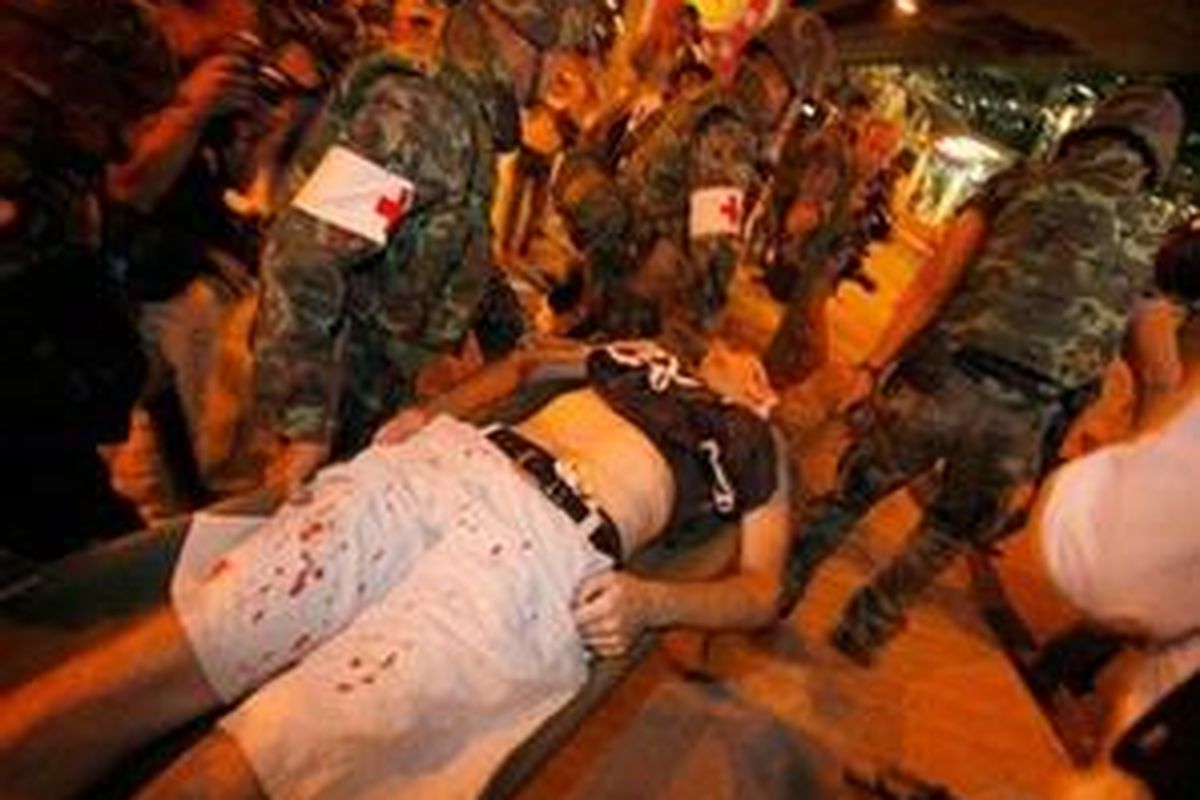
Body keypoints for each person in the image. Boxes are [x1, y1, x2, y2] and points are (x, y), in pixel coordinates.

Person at [0, 339, 789, 799]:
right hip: (436, 471)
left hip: (536, 552)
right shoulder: (640, 355)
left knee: (264, 757)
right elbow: (525, 366)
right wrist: (431, 413)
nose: (743, 358)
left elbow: (761, 590)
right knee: (190, 644)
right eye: (729, 345)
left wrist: (652, 602)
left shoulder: (757, 446)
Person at [780, 86, 1186, 664]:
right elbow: (1162, 375)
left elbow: (933, 285)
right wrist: (1133, 468)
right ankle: (866, 628)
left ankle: (777, 590)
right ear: (1157, 158)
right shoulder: (1147, 238)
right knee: (948, 530)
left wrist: (872, 366)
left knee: (851, 495)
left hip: (941, 381)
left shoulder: (1019, 183)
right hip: (1024, 424)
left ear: (1094, 128)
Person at [253, 0, 596, 493]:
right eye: (560, 51)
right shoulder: (421, 116)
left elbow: (462, 247)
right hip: (332, 402)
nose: (563, 72)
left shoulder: (464, 120)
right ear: (513, 40)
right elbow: (302, 255)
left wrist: (517, 344)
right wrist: (304, 425)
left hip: (375, 401)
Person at [551, 7, 837, 363]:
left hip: (609, 268)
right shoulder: (730, 131)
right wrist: (694, 342)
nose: (793, 120)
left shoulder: (705, 98)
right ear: (785, 88)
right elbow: (714, 250)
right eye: (801, 107)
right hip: (634, 296)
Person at [0, 0, 166, 558]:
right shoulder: (22, 195)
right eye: (105, 117)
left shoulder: (49, 180)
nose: (120, 145)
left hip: (54, 478)